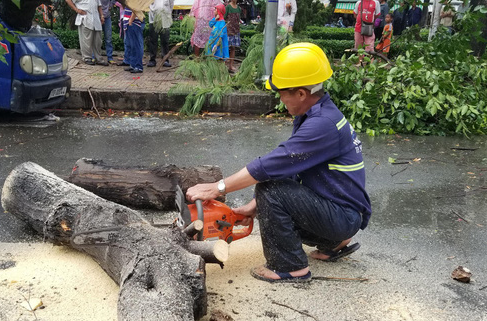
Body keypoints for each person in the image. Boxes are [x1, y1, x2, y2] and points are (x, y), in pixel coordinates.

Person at [186, 43, 371, 283]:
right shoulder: (317, 113)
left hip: (342, 216)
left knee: (269, 187)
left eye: (282, 92)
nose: (280, 98)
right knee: (270, 190)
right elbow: (292, 167)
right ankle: (333, 242)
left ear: (301, 93)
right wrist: (255, 206)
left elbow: (268, 166)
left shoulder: (321, 124)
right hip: (342, 211)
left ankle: (290, 266)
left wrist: (217, 187)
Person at [66, 0, 108, 66]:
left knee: (98, 41)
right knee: (86, 40)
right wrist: (76, 10)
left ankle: (99, 59)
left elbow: (99, 5)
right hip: (85, 17)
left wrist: (102, 15)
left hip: (96, 18)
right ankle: (87, 58)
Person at [147, 0, 174, 68]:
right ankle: (152, 60)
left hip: (165, 19)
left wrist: (167, 13)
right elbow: (147, 4)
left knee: (165, 41)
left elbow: (171, 5)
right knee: (153, 40)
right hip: (153, 19)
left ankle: (165, 60)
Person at [125, 6, 145, 73]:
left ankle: (138, 66)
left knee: (136, 46)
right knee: (132, 45)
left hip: (134, 23)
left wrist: (130, 20)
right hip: (130, 23)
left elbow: (136, 8)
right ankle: (133, 65)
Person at [225, 0, 241, 73]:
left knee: (233, 48)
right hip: (228, 30)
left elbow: (238, 20)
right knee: (225, 47)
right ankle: (224, 65)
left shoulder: (239, 8)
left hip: (236, 30)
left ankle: (231, 66)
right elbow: (224, 18)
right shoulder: (228, 7)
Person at [100, 0, 115, 65]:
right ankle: (94, 56)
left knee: (108, 38)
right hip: (97, 17)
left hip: (107, 17)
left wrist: (110, 6)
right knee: (97, 38)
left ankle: (110, 58)